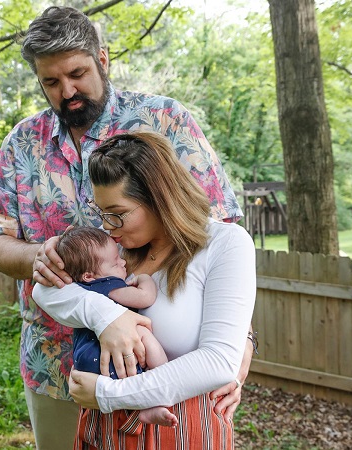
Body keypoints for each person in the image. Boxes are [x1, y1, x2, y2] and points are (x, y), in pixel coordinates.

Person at [0, 6, 253, 449]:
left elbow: (217, 237)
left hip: (164, 367)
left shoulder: (166, 122)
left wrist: (237, 340)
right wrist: (54, 263)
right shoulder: (20, 146)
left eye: (77, 73)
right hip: (58, 365)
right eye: (51, 82)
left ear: (102, 59)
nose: (67, 91)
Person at [33, 130, 256, 449]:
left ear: (159, 197)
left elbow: (218, 362)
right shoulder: (108, 247)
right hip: (102, 432)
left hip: (180, 428)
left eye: (119, 214)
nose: (108, 225)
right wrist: (106, 316)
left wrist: (107, 395)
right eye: (102, 212)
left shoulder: (225, 244)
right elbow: (45, 291)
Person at [56, 226, 178, 428]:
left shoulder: (79, 288)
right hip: (104, 357)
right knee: (142, 332)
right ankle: (161, 377)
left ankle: (145, 408)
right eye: (115, 263)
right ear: (89, 275)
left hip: (84, 360)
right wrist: (144, 279)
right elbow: (145, 298)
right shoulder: (107, 287)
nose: (123, 262)